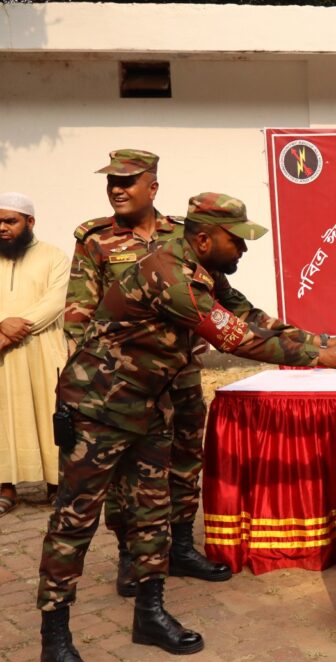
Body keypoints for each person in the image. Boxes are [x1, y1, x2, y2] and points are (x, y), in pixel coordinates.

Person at [38, 192, 336, 662]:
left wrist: (322, 342)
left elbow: (252, 316)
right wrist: (320, 358)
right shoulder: (168, 274)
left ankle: (149, 614)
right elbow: (234, 337)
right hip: (99, 409)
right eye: (235, 240)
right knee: (75, 519)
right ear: (203, 238)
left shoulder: (205, 271)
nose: (242, 250)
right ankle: (55, 638)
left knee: (153, 511)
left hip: (150, 405)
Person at [66, 148, 230, 595]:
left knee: (184, 459)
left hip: (182, 375)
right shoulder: (95, 238)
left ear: (152, 187)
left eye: (127, 182)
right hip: (127, 385)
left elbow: (215, 299)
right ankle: (130, 557)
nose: (116, 190)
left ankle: (179, 546)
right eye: (111, 183)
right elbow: (78, 315)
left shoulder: (183, 234)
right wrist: (95, 381)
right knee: (128, 473)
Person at [0, 193, 70, 514]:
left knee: (48, 414)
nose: (2, 228)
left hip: (43, 348)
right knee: (4, 418)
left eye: (10, 221)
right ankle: (5, 488)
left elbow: (55, 303)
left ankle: (57, 485)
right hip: (3, 355)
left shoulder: (55, 257)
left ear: (30, 222)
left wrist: (11, 330)